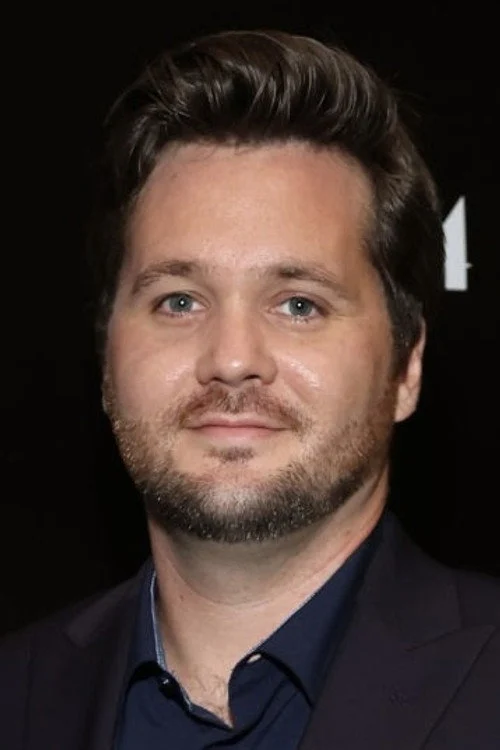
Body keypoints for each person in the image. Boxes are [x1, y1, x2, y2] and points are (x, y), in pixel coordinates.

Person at [1, 29, 499, 750]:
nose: (232, 360)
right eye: (179, 301)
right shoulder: (17, 693)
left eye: (299, 304)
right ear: (107, 356)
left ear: (406, 366)